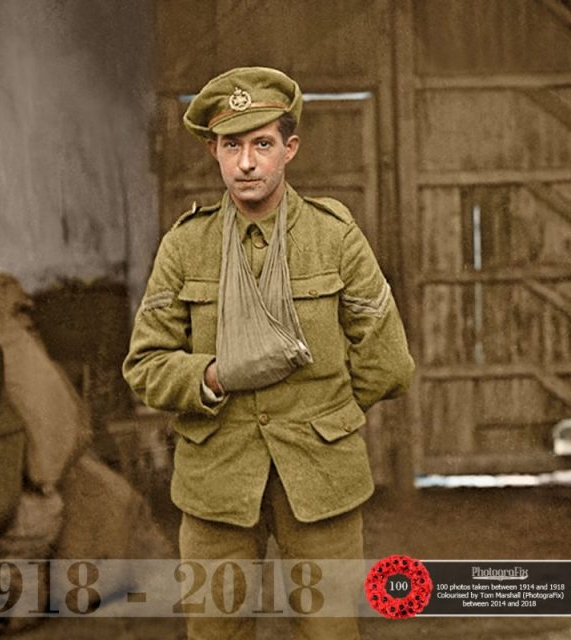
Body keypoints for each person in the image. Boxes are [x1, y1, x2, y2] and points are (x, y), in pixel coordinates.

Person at [123, 66, 415, 640]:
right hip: (217, 481)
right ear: (214, 151)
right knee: (215, 631)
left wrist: (322, 412)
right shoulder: (185, 246)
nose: (247, 162)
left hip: (320, 479)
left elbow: (387, 363)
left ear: (290, 149)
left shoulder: (335, 236)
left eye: (262, 143)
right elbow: (145, 363)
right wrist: (212, 375)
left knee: (330, 630)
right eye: (232, 145)